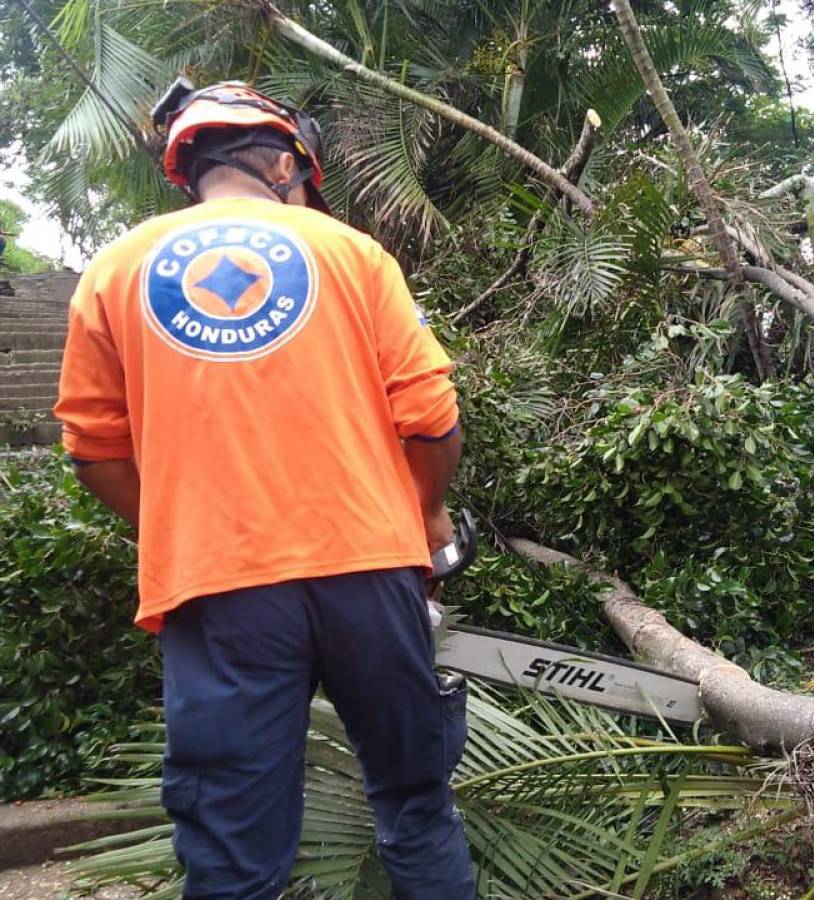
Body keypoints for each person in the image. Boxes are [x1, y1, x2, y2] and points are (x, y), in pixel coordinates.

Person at [54, 79, 475, 899]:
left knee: (234, 863)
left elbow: (93, 449)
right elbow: (430, 418)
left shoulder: (114, 270)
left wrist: (180, 524)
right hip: (371, 566)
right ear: (286, 161)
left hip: (219, 589)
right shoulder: (351, 253)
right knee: (416, 809)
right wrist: (425, 512)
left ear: (191, 164)